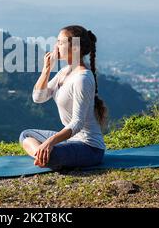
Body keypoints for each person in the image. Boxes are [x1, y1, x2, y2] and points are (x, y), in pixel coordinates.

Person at [19, 25, 108, 170]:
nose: (56, 46)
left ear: (74, 47)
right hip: (71, 141)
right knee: (26, 135)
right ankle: (42, 156)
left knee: (51, 153)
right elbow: (38, 97)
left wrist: (50, 142)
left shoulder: (82, 79)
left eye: (60, 42)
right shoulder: (64, 72)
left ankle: (45, 156)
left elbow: (77, 123)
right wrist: (46, 69)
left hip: (90, 148)